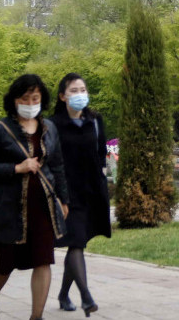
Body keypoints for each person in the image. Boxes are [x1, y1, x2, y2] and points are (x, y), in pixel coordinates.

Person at [0, 74, 69, 320]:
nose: (30, 103)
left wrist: (64, 199)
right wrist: (16, 168)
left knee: (43, 260)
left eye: (35, 98)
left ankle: (36, 317)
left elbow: (58, 166)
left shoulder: (49, 128)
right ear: (14, 99)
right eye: (25, 98)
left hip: (43, 206)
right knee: (4, 263)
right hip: (8, 207)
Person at [51, 73, 111, 316]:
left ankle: (64, 294)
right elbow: (51, 160)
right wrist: (57, 193)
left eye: (82, 89)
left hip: (91, 191)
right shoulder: (52, 125)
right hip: (66, 193)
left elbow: (101, 153)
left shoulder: (95, 121)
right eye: (73, 90)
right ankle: (86, 297)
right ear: (62, 96)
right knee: (75, 241)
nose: (79, 94)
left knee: (78, 243)